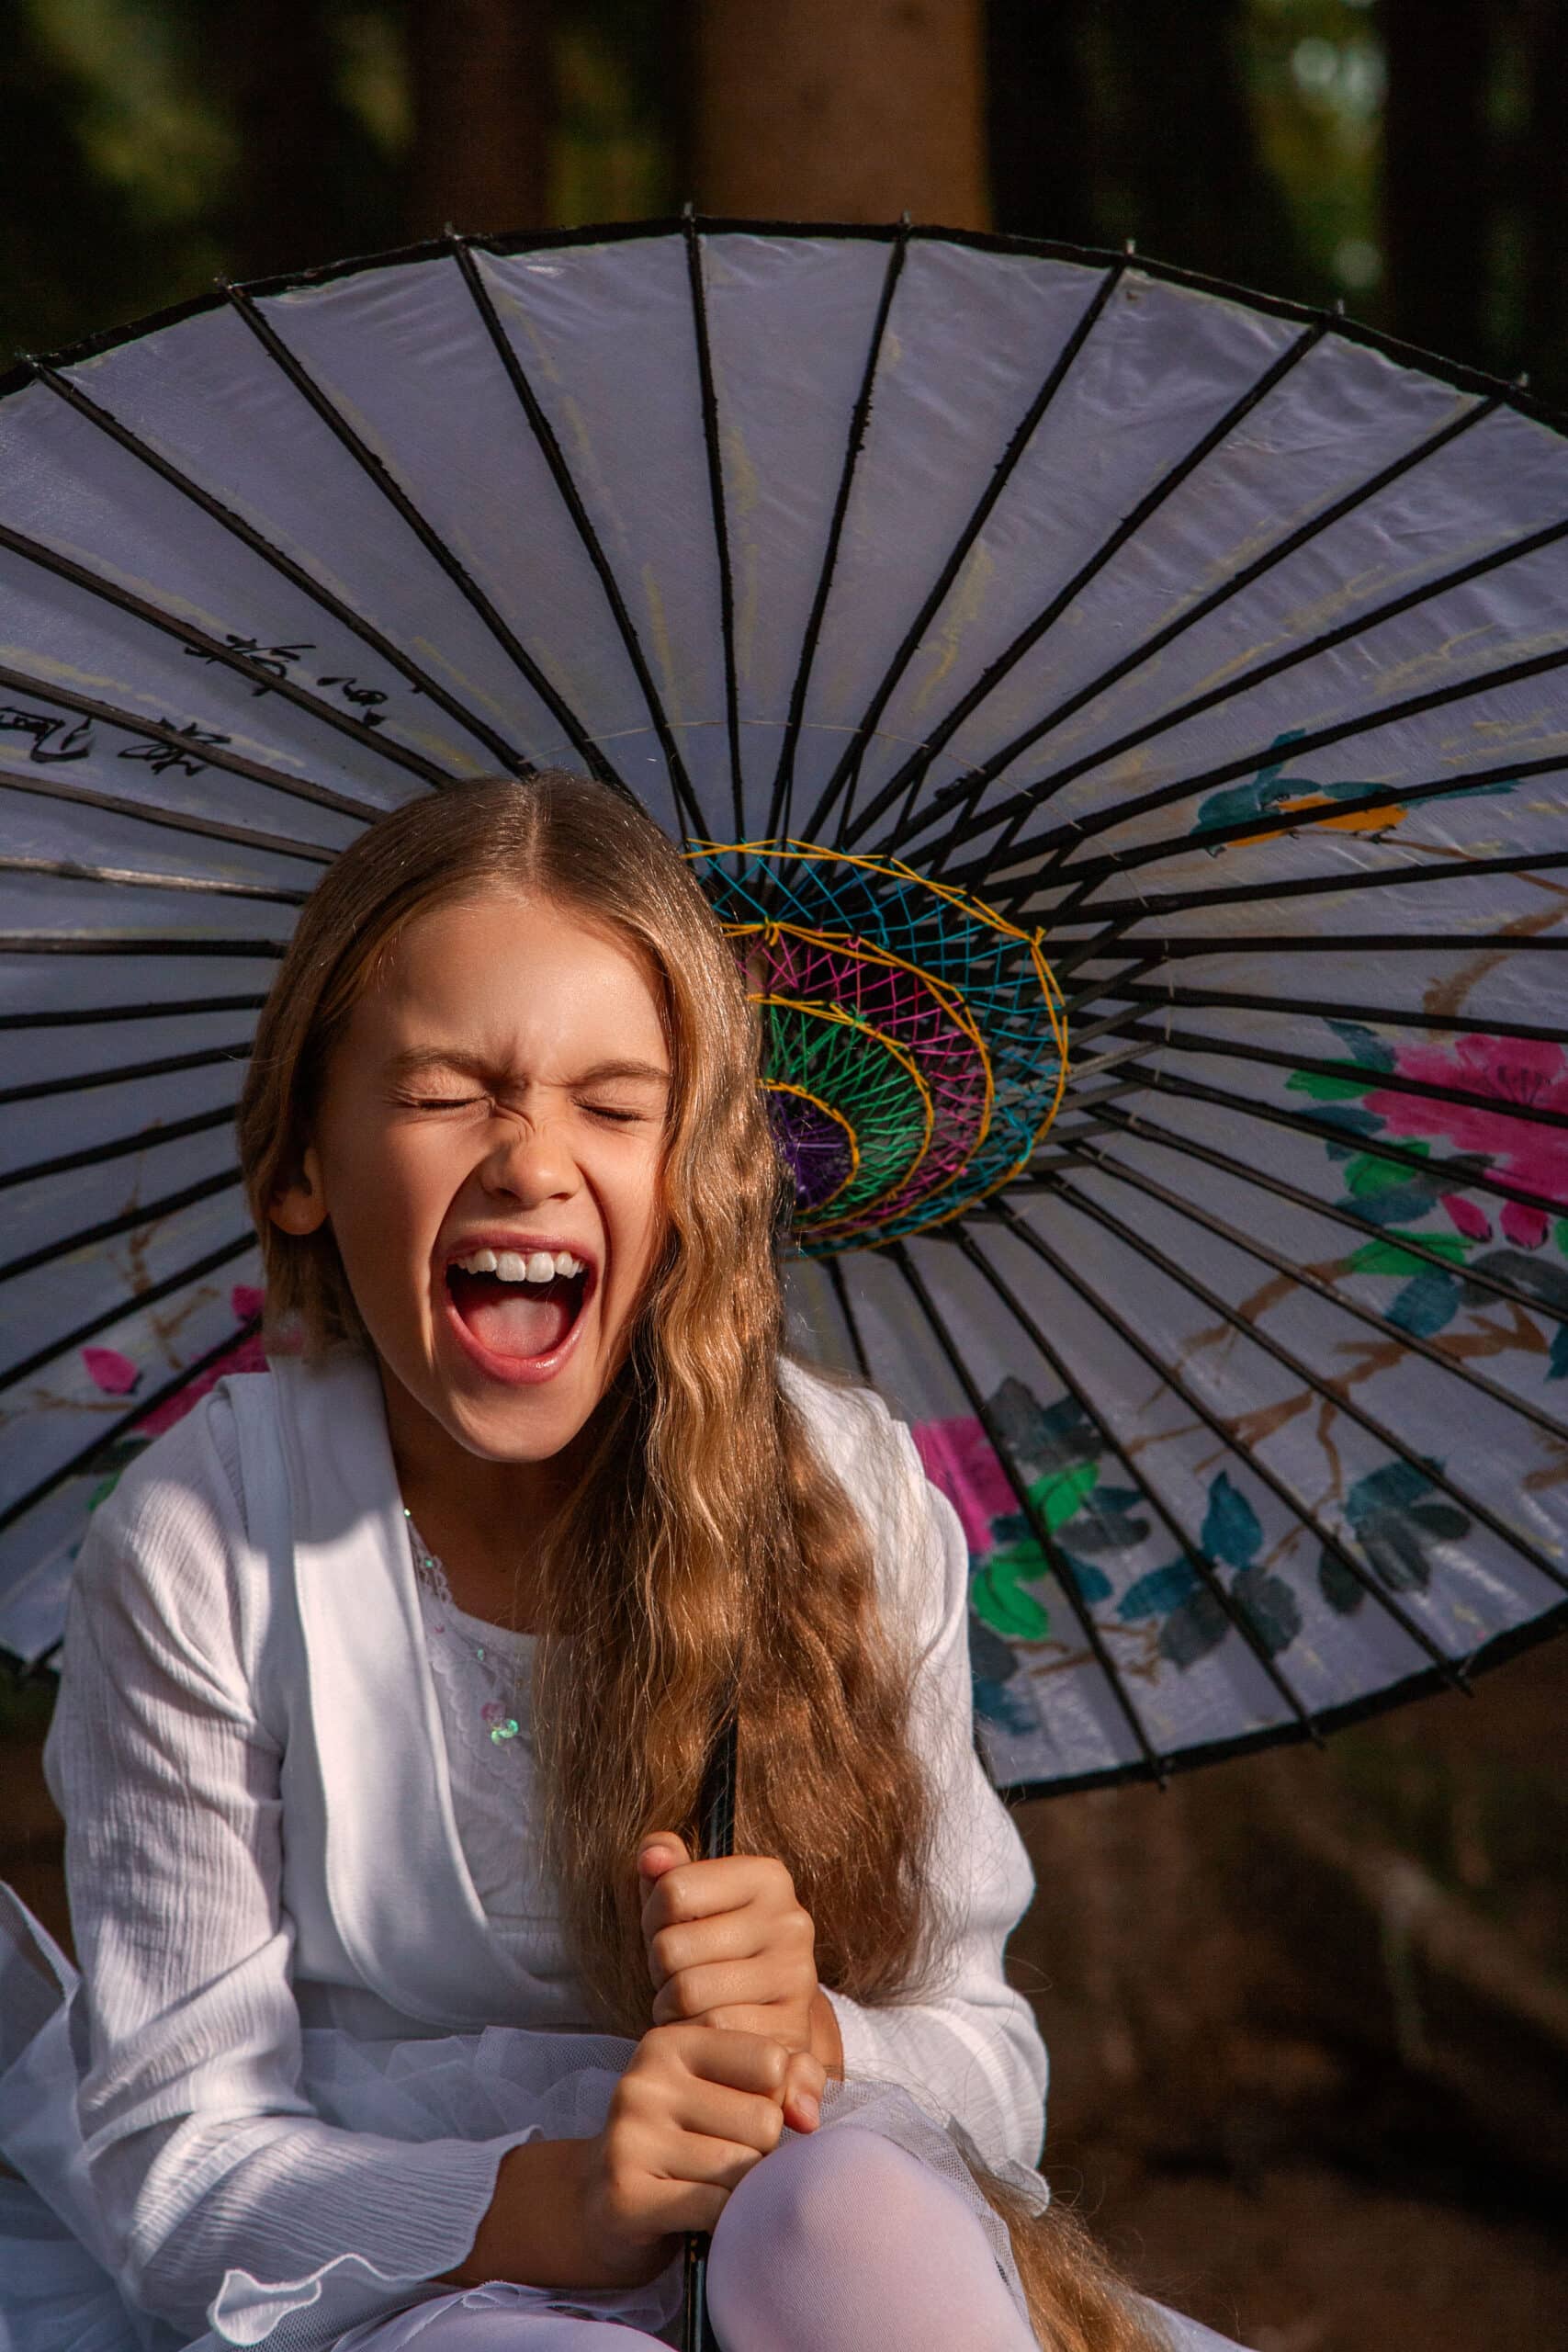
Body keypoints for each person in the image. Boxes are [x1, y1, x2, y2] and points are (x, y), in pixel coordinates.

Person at [0, 771, 1246, 2352]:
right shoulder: (210, 1541)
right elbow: (182, 2176)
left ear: (694, 1175)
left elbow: (991, 2067)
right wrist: (570, 2206)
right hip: (425, 2280)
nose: (529, 1158)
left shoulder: (839, 1491)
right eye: (450, 1091)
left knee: (848, 2206)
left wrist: (815, 2039)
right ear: (300, 1163)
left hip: (805, 2255)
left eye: (614, 1102)